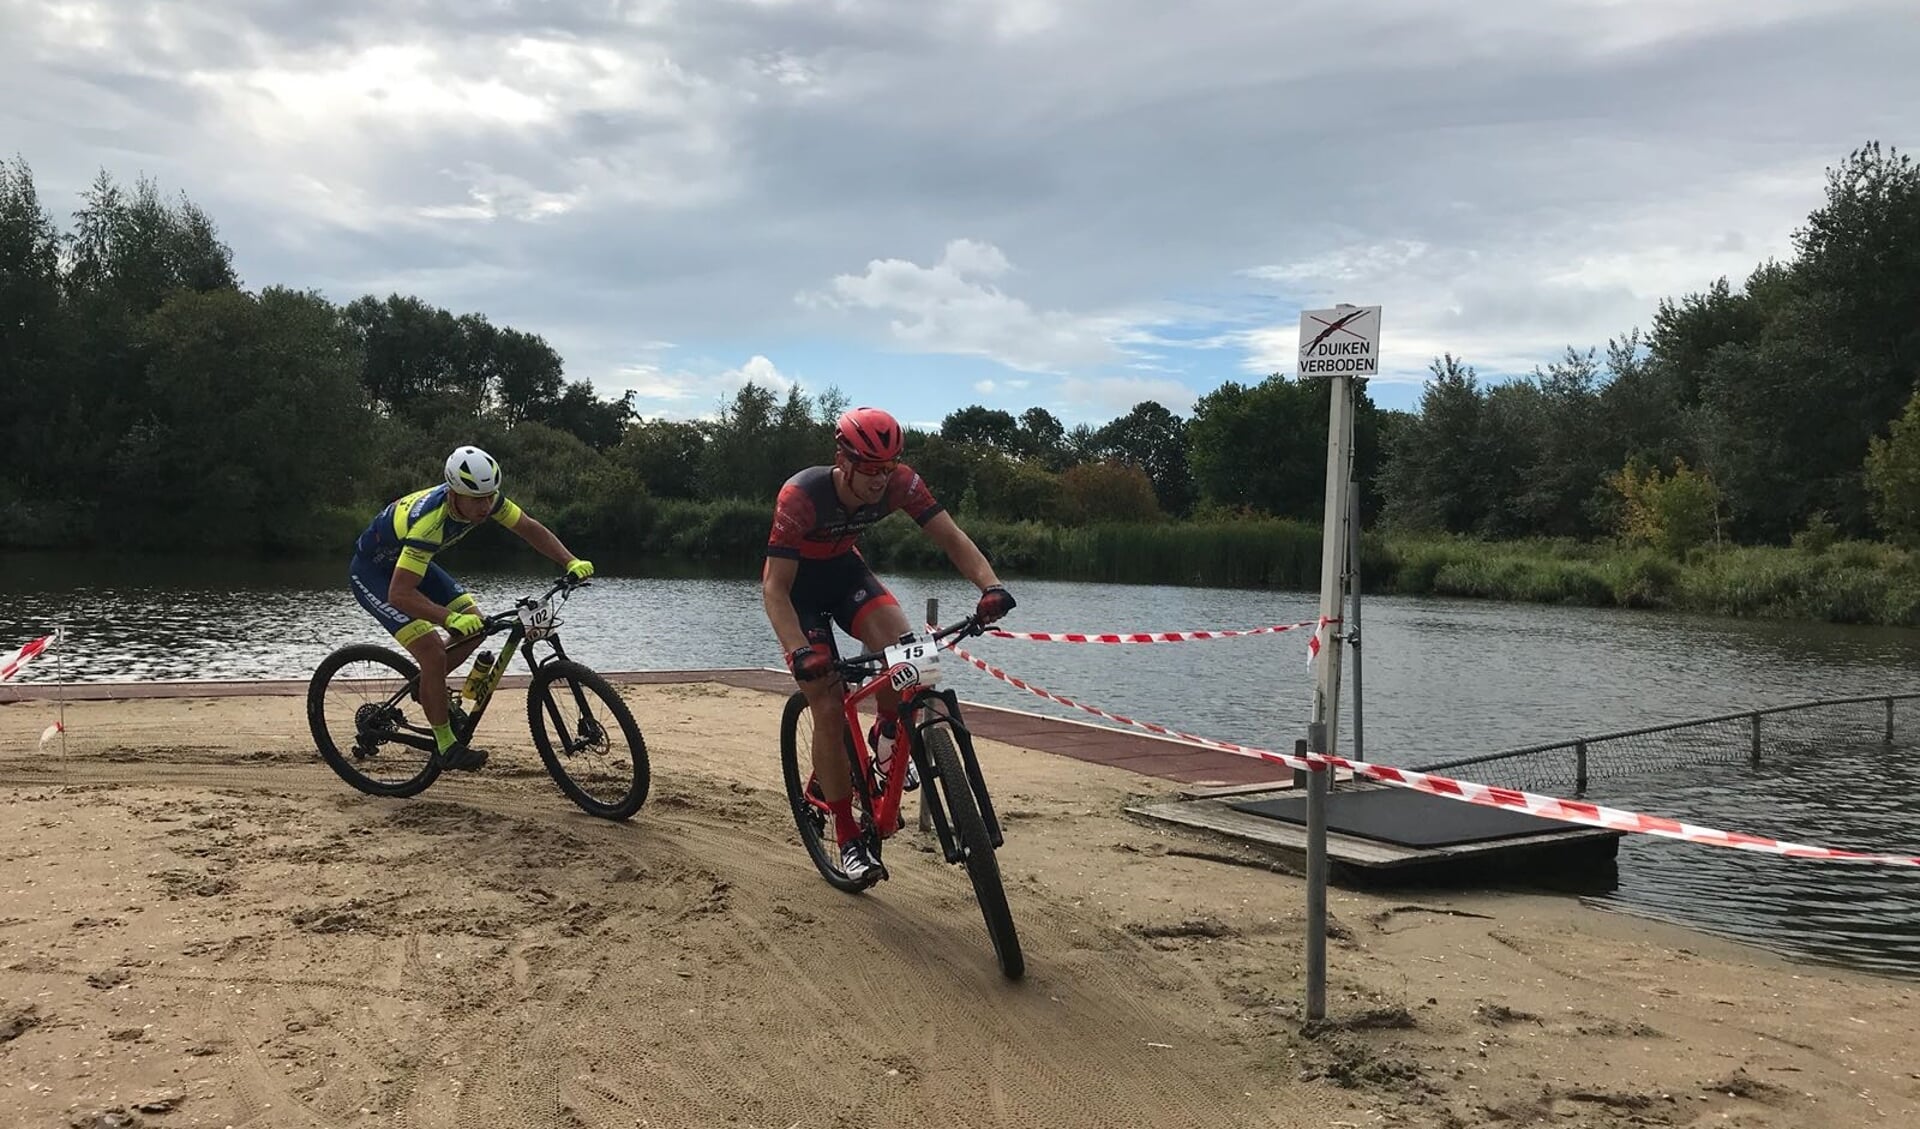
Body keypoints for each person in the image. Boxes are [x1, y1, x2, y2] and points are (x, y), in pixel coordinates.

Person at [762, 407, 1016, 886]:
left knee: (911, 661)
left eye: (888, 467)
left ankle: (885, 735)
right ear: (843, 460)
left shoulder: (902, 483)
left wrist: (990, 587)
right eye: (870, 469)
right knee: (830, 703)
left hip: (846, 575)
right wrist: (799, 651)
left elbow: (952, 537)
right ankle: (848, 836)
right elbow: (774, 589)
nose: (881, 480)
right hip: (798, 593)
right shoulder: (801, 497)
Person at [349, 446, 594, 770]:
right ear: (454, 494)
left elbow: (529, 528)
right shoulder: (430, 523)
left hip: (411, 563)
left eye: (490, 497)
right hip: (375, 574)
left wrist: (570, 560)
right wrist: (448, 617)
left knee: (477, 627)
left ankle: (428, 688)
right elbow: (399, 595)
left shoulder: (487, 501)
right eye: (476, 499)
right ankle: (446, 745)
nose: (485, 506)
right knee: (433, 652)